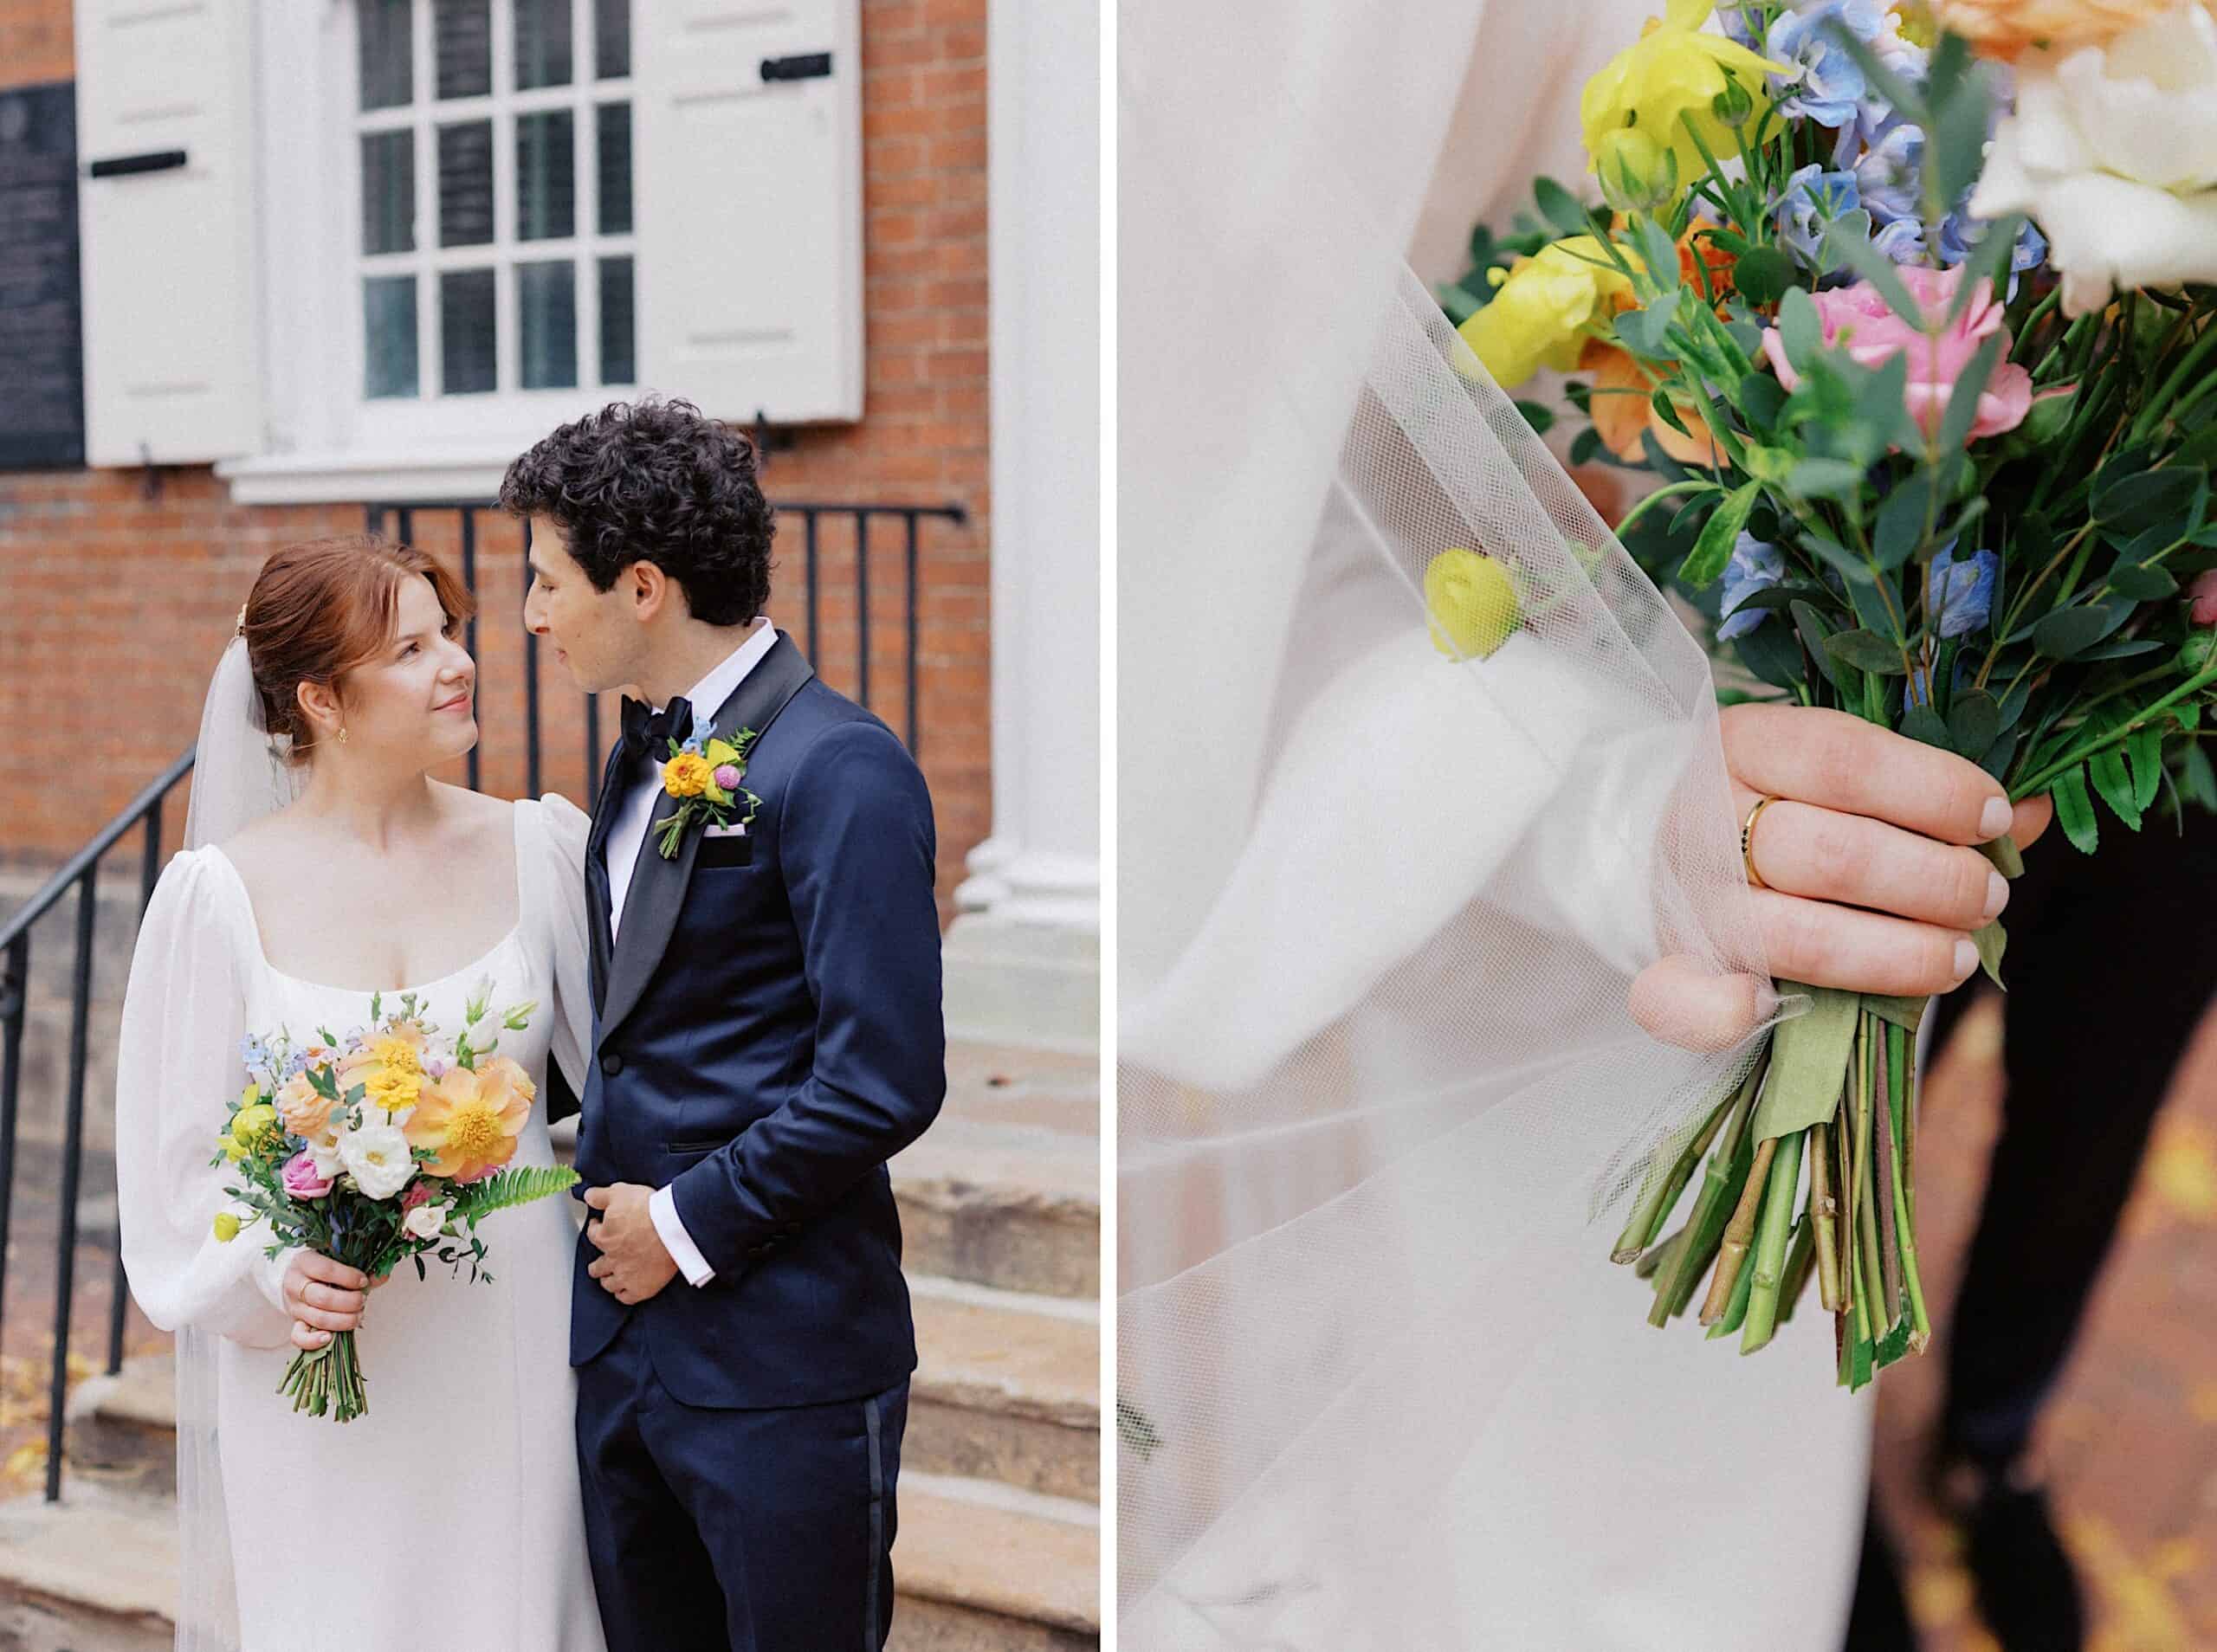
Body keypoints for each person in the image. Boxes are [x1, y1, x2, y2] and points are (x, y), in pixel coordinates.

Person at [1114, 1, 2052, 1645]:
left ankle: (1966, 1452)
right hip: (1595, 889)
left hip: (1990, 671)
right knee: (1602, 1531)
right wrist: (1618, 816)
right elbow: (1210, 560)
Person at [507, 398, 947, 1652]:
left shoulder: (840, 767)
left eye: (547, 582)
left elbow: (883, 1080)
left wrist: (683, 1226)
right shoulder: (634, 760)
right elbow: (645, 1026)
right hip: (623, 1352)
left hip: (784, 1360)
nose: (532, 614)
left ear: (640, 586)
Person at [116, 534, 604, 1650]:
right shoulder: (215, 898)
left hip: (510, 1345)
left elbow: (632, 1094)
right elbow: (178, 1169)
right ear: (323, 701)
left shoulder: (542, 848)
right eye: (413, 648)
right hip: (327, 1375)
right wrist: (278, 1271)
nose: (459, 664)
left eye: (454, 635)